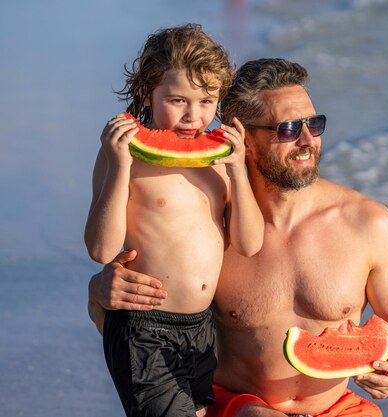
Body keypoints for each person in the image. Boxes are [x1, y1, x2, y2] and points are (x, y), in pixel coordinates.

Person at [88, 58, 388, 417]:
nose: (308, 139)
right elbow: (142, 325)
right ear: (243, 138)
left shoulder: (369, 225)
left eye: (315, 124)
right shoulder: (213, 226)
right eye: (288, 128)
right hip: (237, 405)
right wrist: (99, 289)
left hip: (338, 407)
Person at [84, 24, 264, 417]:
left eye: (206, 101)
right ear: (147, 93)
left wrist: (237, 172)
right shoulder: (125, 156)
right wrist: (118, 166)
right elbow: (100, 249)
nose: (193, 115)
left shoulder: (219, 161)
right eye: (178, 100)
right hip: (143, 328)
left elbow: (249, 243)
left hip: (202, 330)